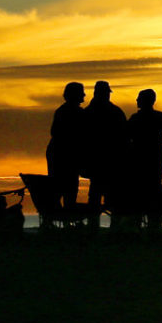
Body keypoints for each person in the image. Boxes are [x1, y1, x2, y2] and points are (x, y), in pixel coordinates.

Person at [127, 88, 162, 229]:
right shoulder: (154, 117)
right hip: (146, 161)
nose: (137, 101)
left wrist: (157, 140)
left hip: (145, 161)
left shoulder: (137, 119)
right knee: (147, 191)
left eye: (139, 98)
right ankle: (148, 225)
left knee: (144, 191)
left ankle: (146, 225)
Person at [83, 80, 128, 228]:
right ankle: (112, 228)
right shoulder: (114, 112)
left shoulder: (88, 112)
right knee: (110, 197)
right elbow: (124, 138)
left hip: (98, 163)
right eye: (107, 93)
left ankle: (93, 226)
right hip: (110, 163)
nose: (108, 95)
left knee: (97, 195)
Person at [46, 81, 85, 212]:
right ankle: (64, 215)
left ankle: (56, 216)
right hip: (65, 156)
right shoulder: (76, 113)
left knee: (60, 187)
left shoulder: (62, 111)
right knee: (68, 187)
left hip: (60, 154)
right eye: (81, 93)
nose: (84, 95)